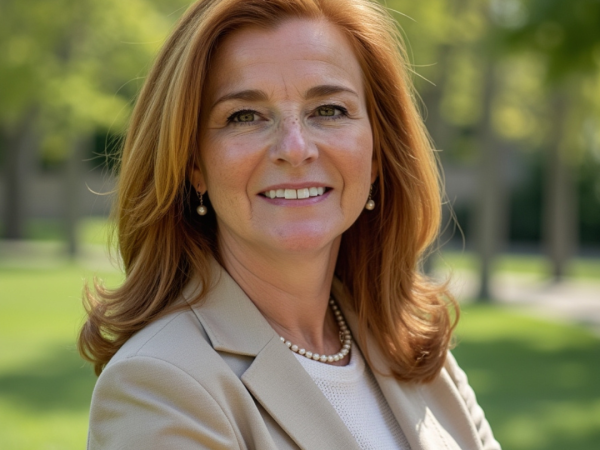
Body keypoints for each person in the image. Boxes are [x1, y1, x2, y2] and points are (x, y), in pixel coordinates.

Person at [79, 0, 501, 449]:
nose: (295, 149)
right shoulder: (158, 385)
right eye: (245, 116)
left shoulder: (415, 354)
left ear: (377, 152)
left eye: (329, 110)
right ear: (193, 164)